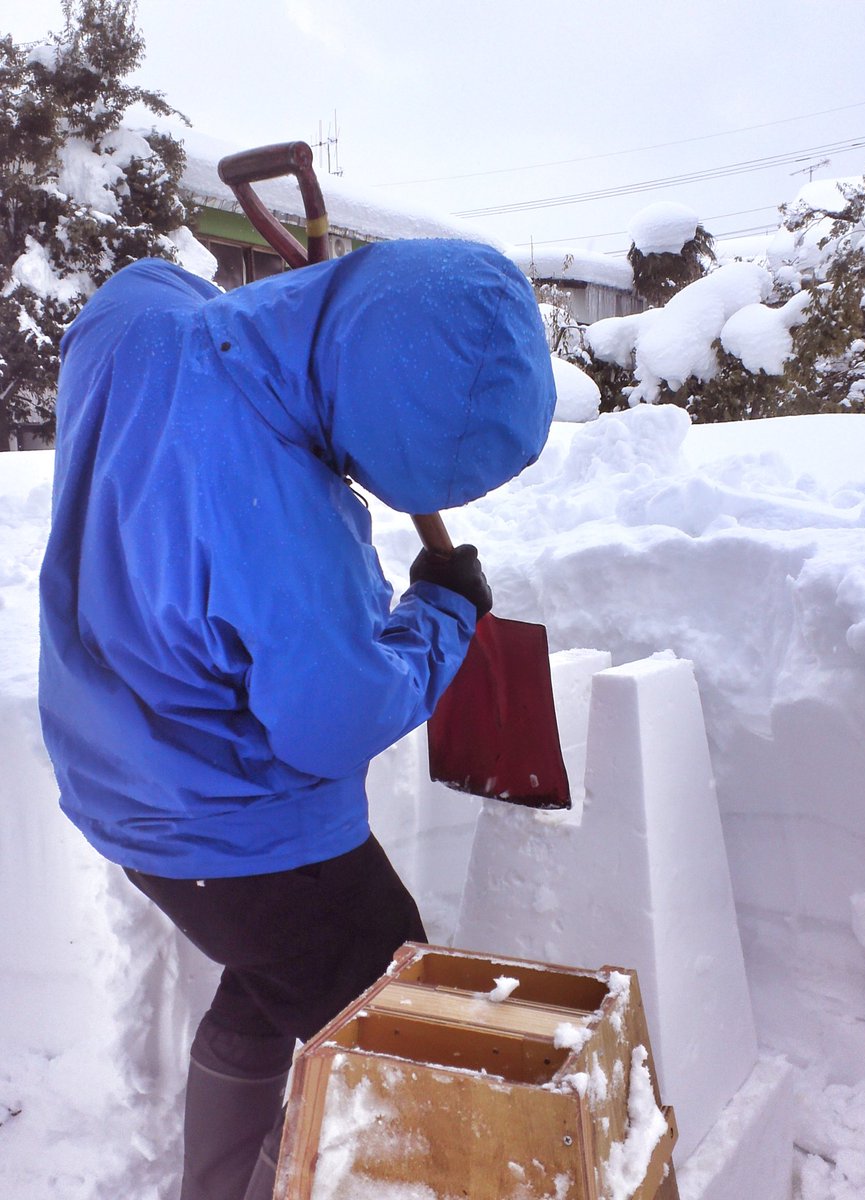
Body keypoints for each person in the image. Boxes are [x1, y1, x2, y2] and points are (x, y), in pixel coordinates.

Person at [38, 236, 556, 1200]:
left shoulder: (135, 327)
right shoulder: (282, 518)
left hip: (121, 776)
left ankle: (216, 1186)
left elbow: (167, 299)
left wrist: (286, 335)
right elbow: (333, 718)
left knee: (277, 974)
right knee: (389, 1026)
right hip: (236, 824)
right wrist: (441, 610)